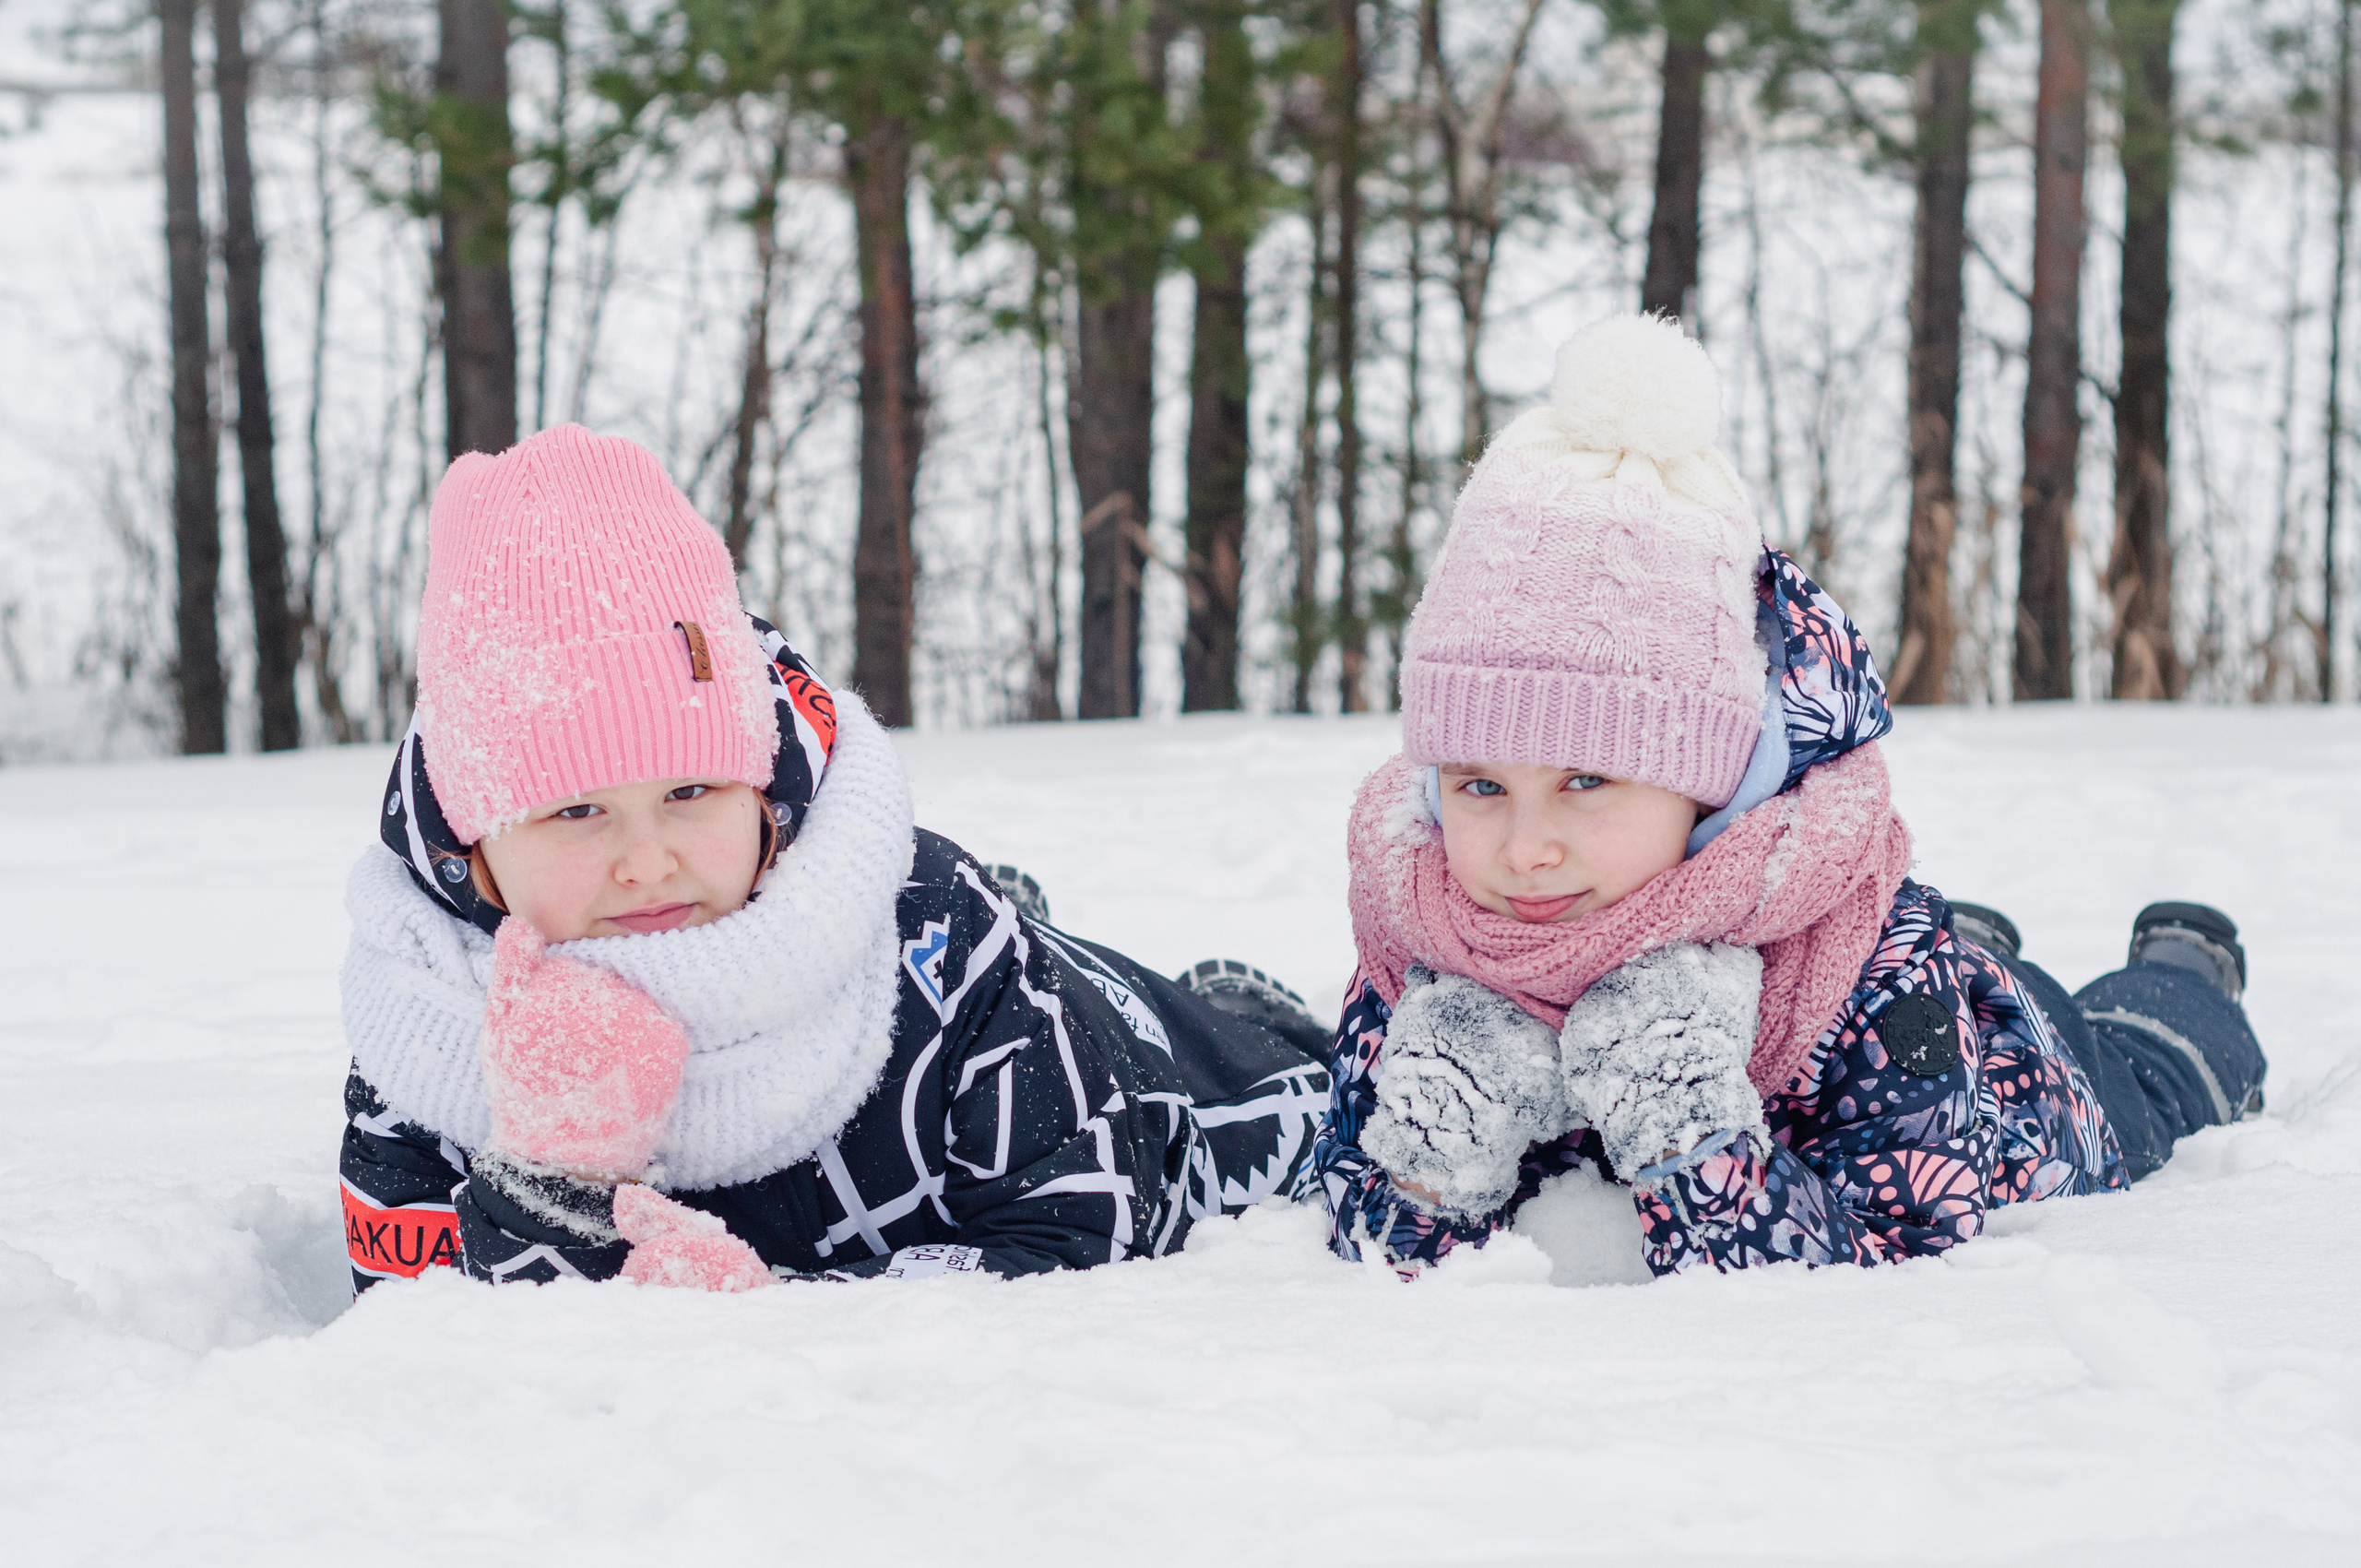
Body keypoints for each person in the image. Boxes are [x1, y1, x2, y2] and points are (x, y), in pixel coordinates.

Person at [1312, 314, 2266, 1277]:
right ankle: (1985, 938)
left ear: (1715, 782)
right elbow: (1360, 1225)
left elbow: (1898, 1255)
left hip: (2015, 1082)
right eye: (1479, 784)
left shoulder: (1863, 970)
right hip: (1927, 1004)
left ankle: (2179, 974)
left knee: (2150, 1068)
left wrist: (1693, 1143)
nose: (1524, 849)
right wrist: (1426, 1166)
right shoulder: (1426, 940)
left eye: (1586, 781)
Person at [339, 424, 1329, 1294]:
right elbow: (417, 1315)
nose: (645, 862)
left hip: (1136, 1067)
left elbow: (1093, 1231)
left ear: (765, 797)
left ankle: (1235, 1013)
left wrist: (778, 1310)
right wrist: (552, 1195)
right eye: (576, 811)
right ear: (470, 846)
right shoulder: (427, 1012)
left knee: (1262, 1094)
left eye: (690, 793)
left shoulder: (930, 934)